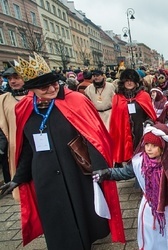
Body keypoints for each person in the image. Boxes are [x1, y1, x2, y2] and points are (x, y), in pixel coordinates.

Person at [0, 53, 125, 249]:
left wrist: (101, 168)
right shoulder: (24, 107)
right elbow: (26, 149)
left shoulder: (76, 100)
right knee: (56, 218)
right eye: (44, 87)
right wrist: (18, 177)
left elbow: (93, 137)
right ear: (31, 89)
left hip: (75, 170)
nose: (51, 89)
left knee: (83, 213)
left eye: (54, 84)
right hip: (45, 174)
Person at [93, 123, 168, 250]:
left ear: (163, 146)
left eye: (154, 145)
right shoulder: (139, 162)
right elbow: (124, 173)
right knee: (152, 240)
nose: (149, 149)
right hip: (149, 209)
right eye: (146, 144)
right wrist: (106, 173)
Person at [109, 69, 157, 168]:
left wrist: (149, 122)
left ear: (136, 82)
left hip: (140, 129)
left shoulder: (144, 96)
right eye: (127, 80)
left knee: (141, 153)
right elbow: (115, 117)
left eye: (131, 80)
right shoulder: (117, 98)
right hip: (123, 130)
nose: (129, 83)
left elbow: (150, 114)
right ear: (123, 82)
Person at [0, 66, 28, 200]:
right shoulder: (4, 99)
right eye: (9, 79)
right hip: (16, 145)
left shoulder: (36, 95)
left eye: (16, 78)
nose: (12, 81)